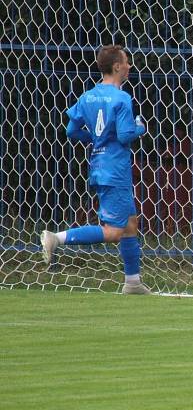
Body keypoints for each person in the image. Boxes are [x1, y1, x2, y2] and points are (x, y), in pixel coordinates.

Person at [40, 45, 150, 295]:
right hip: (116, 169)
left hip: (99, 165)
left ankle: (132, 283)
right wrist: (140, 128)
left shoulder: (88, 96)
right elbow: (124, 136)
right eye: (127, 62)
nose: (130, 66)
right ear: (116, 67)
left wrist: (95, 139)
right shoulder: (122, 98)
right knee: (114, 232)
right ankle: (56, 238)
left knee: (130, 223)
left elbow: (71, 131)